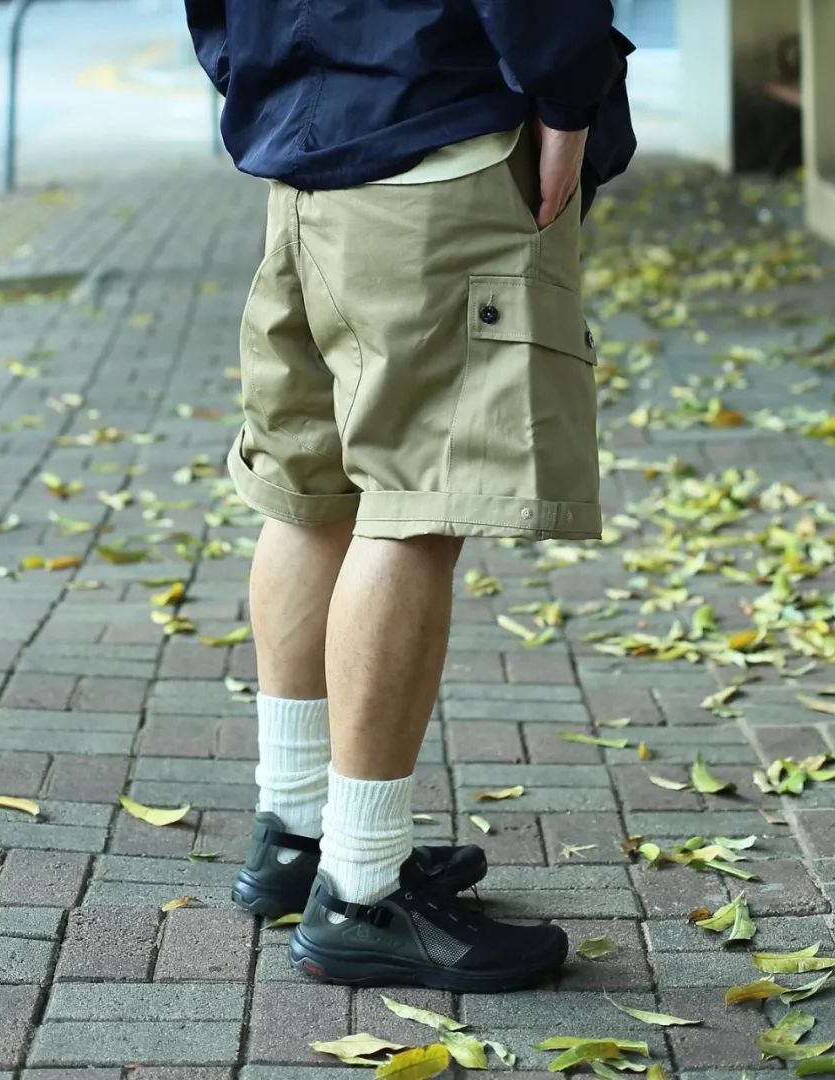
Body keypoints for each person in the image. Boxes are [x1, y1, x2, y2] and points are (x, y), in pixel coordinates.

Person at [184, 0, 635, 993]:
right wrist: (570, 94)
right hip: (435, 141)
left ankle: (300, 832)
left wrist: (263, 76)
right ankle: (363, 889)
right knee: (413, 505)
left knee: (312, 491)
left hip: (306, 147)